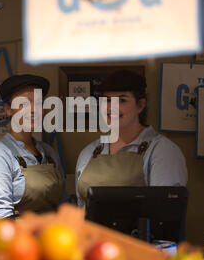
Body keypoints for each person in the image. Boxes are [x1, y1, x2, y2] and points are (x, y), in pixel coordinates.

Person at [76, 69, 188, 207]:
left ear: (140, 105)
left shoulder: (162, 151)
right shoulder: (89, 152)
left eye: (122, 100)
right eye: (107, 100)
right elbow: (79, 207)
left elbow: (164, 214)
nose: (112, 108)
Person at [0, 74, 65, 218]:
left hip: (54, 237)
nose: (32, 110)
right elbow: (0, 217)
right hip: (20, 238)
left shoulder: (49, 153)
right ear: (8, 109)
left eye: (38, 103)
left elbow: (63, 206)